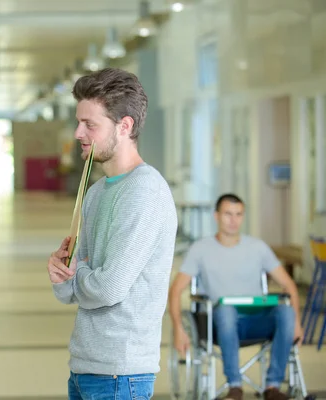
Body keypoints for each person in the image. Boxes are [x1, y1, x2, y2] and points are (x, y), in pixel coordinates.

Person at [47, 68, 178, 400]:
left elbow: (109, 288)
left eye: (90, 124)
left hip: (121, 373)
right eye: (79, 122)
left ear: (125, 126)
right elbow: (71, 290)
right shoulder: (97, 192)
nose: (78, 133)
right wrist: (63, 275)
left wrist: (80, 273)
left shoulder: (144, 191)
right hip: (86, 365)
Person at [168, 194, 303, 400]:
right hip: (219, 323)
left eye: (238, 214)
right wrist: (178, 328)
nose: (233, 220)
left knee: (285, 312)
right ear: (216, 216)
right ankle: (235, 386)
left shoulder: (258, 247)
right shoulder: (200, 249)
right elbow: (176, 290)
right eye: (228, 214)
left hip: (255, 322)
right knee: (226, 310)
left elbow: (289, 286)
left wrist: (297, 323)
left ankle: (273, 386)